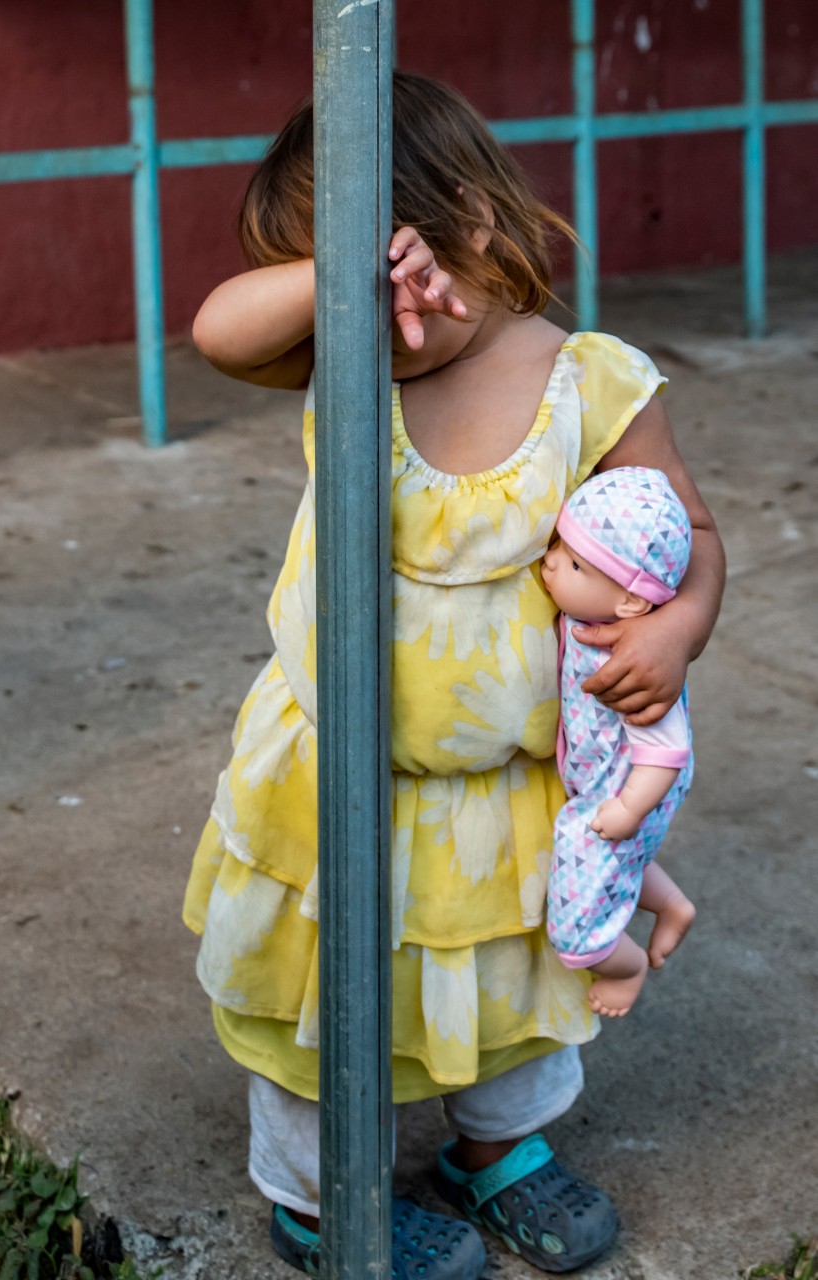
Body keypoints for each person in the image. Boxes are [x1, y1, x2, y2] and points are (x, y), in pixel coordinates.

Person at [183, 72, 724, 1277]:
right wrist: (346, 282)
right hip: (340, 775)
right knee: (321, 993)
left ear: (472, 226)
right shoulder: (341, 351)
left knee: (515, 974)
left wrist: (675, 626)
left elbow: (694, 529)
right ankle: (322, 1194)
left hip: (515, 783)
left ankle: (501, 1149)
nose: (380, 315)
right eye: (336, 288)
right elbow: (218, 331)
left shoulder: (589, 379)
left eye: (385, 273)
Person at [541, 467, 698, 1019]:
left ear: (631, 601)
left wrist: (630, 808)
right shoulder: (593, 616)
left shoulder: (629, 658)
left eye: (576, 563)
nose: (552, 561)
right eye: (558, 546)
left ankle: (623, 965)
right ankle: (672, 905)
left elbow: (665, 750)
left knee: (579, 905)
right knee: (620, 862)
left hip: (635, 789)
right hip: (611, 786)